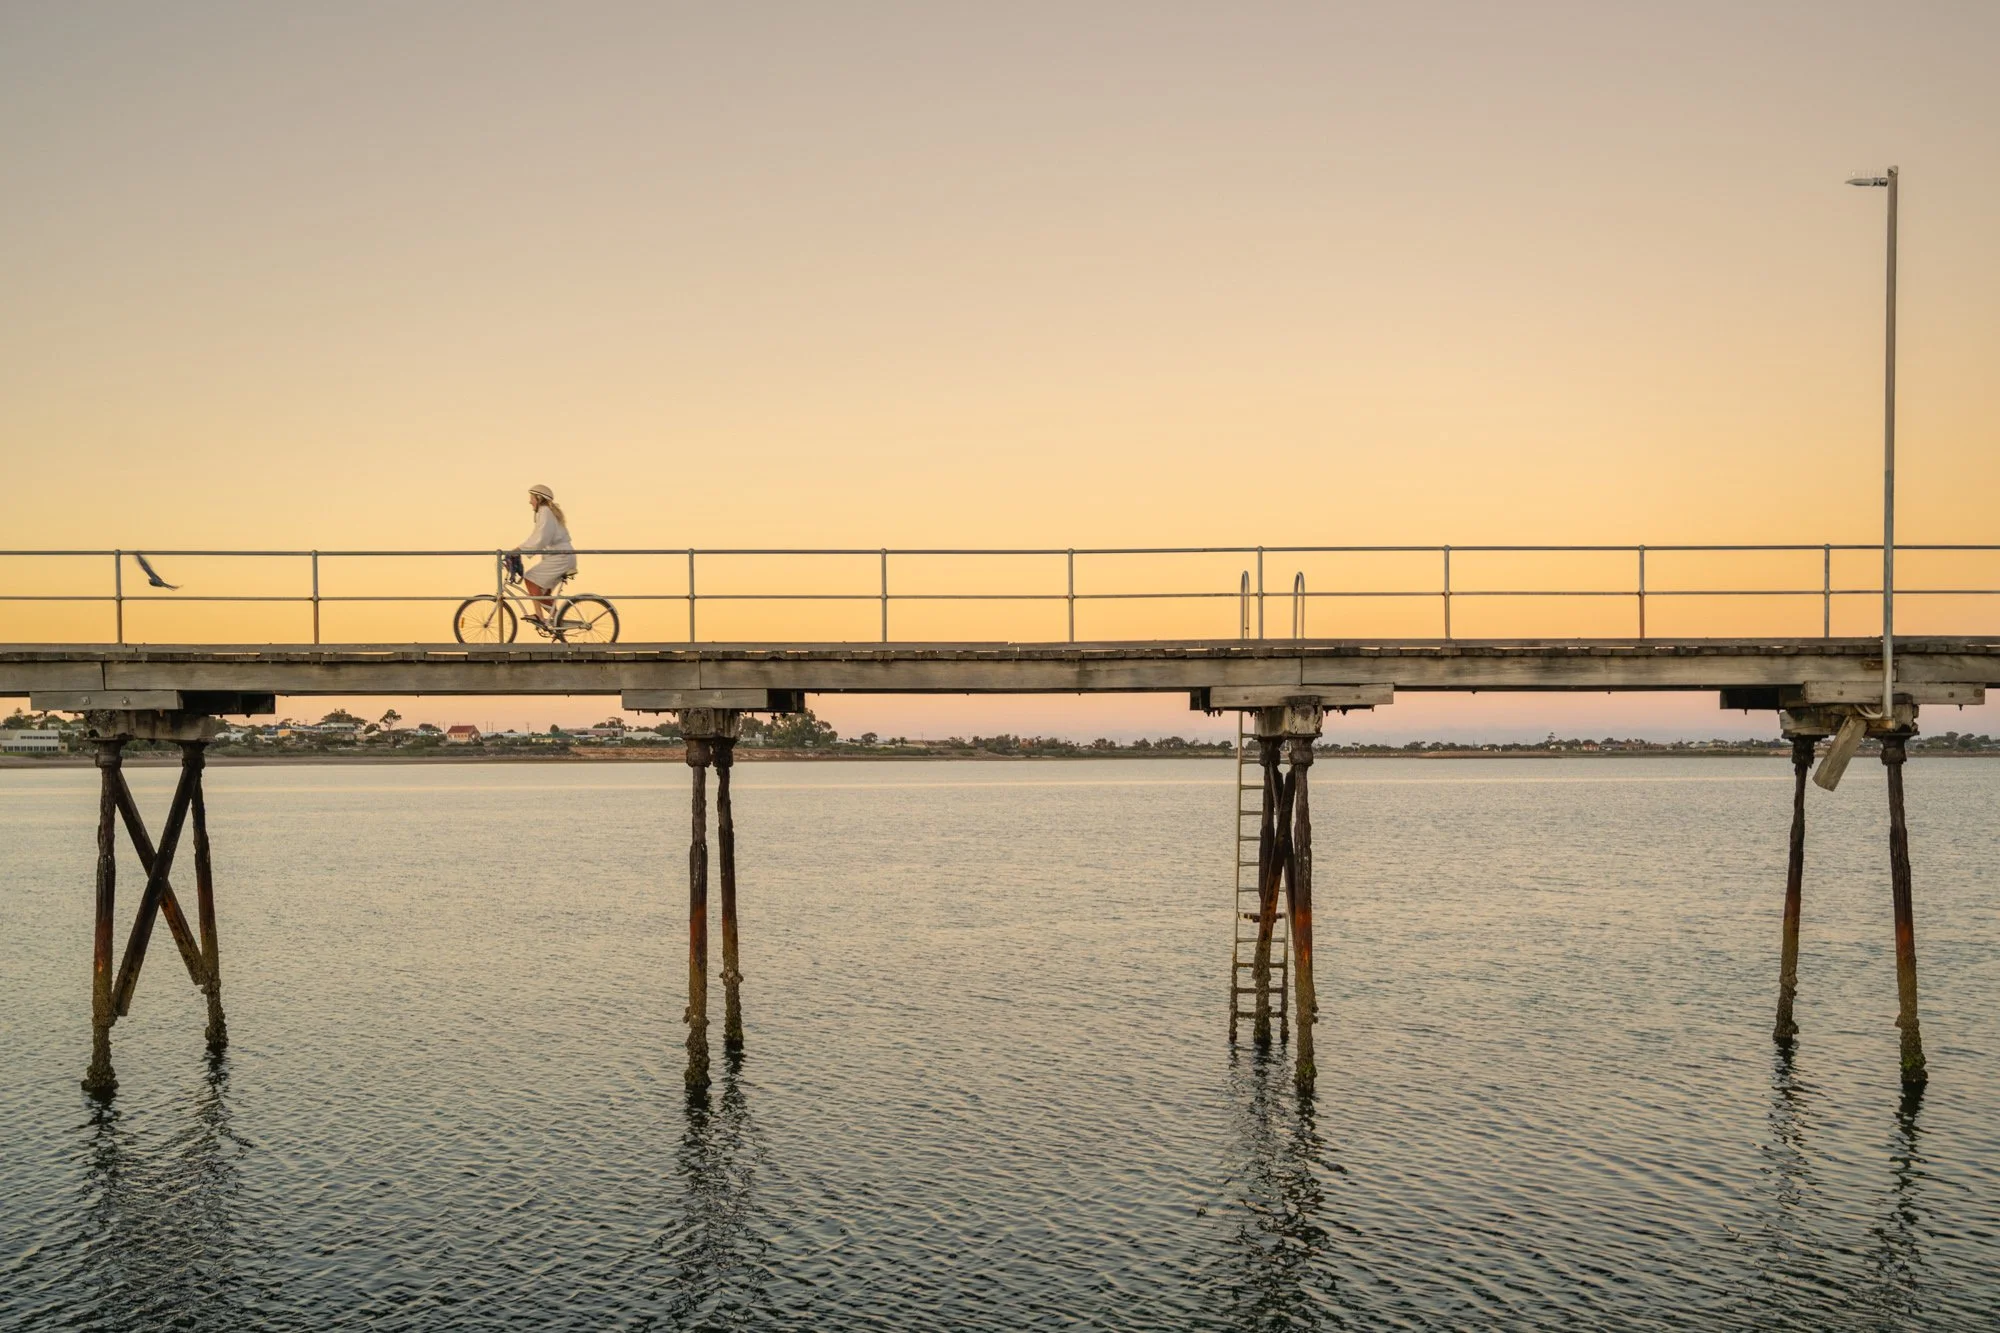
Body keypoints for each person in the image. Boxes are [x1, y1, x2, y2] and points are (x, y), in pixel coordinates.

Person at [514, 484, 577, 628]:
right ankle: (558, 622)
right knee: (543, 594)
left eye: (531, 498)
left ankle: (540, 617)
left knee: (530, 579)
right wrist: (520, 549)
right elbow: (538, 537)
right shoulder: (546, 512)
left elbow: (541, 538)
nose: (530, 502)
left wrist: (518, 549)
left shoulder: (545, 511)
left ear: (538, 498)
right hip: (561, 557)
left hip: (561, 557)